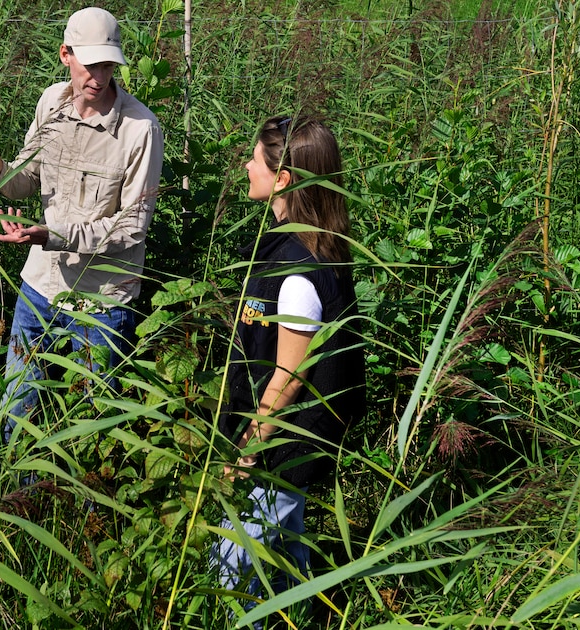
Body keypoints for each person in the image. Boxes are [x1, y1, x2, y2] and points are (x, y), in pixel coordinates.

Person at [0, 7, 163, 442]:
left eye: (108, 64)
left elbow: (133, 226)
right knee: (18, 414)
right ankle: (15, 497)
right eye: (91, 64)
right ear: (65, 54)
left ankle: (77, 511)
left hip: (101, 303)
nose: (100, 76)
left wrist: (53, 235)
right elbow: (26, 182)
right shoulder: (51, 101)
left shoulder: (140, 129)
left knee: (90, 433)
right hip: (40, 289)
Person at [211, 116, 366, 623]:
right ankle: (307, 614)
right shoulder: (305, 242)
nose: (247, 165)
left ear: (283, 179)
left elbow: (289, 377)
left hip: (284, 445)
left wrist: (248, 452)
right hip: (289, 441)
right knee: (285, 552)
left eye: (255, 159)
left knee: (232, 572)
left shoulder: (298, 270)